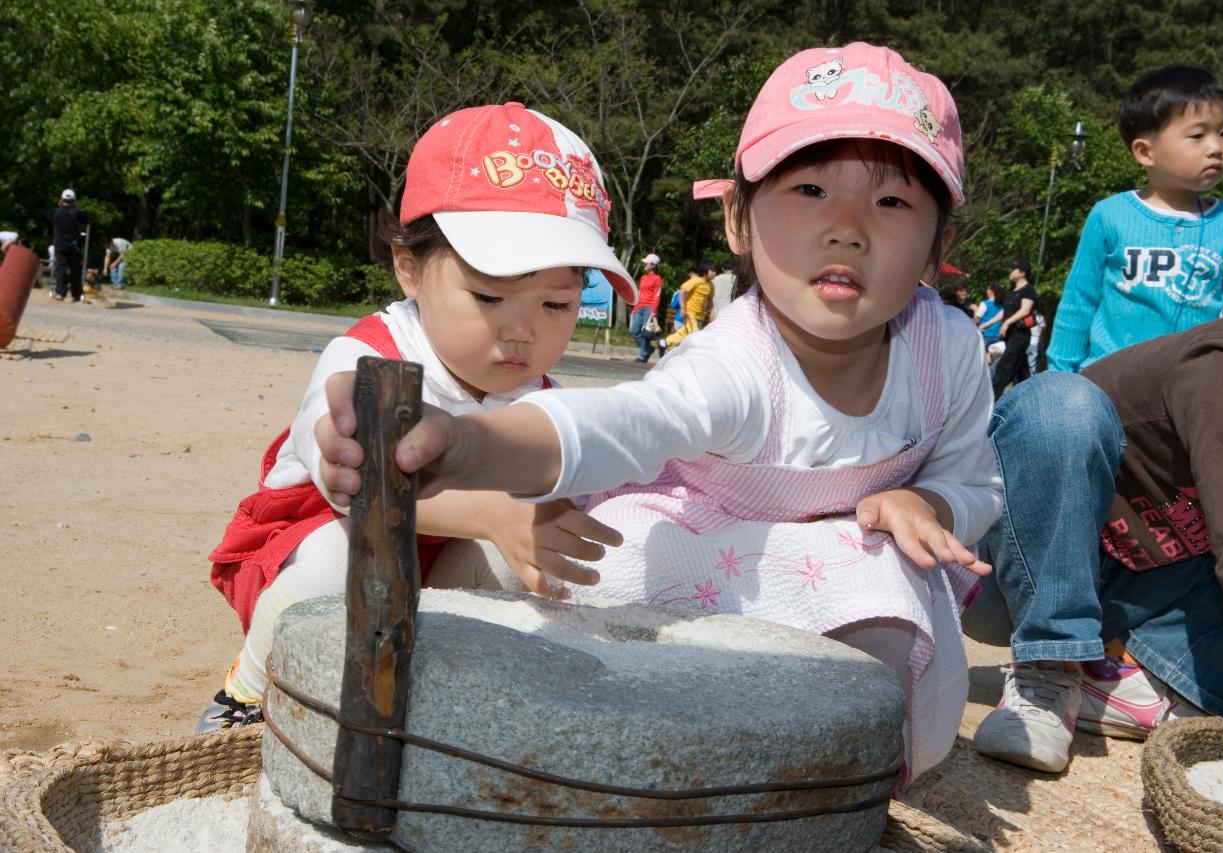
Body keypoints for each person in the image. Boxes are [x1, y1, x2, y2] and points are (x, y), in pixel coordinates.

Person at [318, 43, 1002, 780]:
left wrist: (925, 499)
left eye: (892, 200)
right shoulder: (738, 363)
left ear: (939, 247)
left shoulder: (949, 350)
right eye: (809, 190)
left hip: (834, 573)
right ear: (738, 219)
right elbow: (623, 422)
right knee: (523, 564)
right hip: (691, 559)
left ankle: (837, 783)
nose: (847, 227)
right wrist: (467, 443)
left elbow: (978, 485)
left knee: (882, 575)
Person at [199, 103, 634, 731]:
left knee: (527, 560)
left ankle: (442, 704)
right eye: (488, 296)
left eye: (557, 303)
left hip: (445, 561)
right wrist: (491, 512)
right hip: (326, 533)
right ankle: (248, 692)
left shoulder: (544, 399)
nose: (522, 331)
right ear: (409, 267)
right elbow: (355, 486)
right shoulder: (369, 356)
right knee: (331, 558)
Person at [968, 253, 1223, 772]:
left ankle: (1131, 687)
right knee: (1060, 402)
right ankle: (1050, 667)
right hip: (1011, 577)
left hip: (1135, 594)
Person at [1046, 65, 1223, 373]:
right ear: (1145, 152)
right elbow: (1078, 301)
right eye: (1197, 135)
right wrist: (1060, 374)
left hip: (1193, 381)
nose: (1217, 148)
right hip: (1110, 377)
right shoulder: (1109, 215)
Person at [988, 259, 1037, 400]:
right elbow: (1005, 312)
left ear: (1022, 272)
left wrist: (1007, 323)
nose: (1010, 271)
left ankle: (989, 402)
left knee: (1004, 369)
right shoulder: (1013, 291)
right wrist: (987, 324)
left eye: (1013, 269)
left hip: (1020, 336)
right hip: (1010, 336)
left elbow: (1025, 310)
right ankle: (1031, 400)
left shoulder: (1028, 289)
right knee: (1022, 373)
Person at [657, 261, 715, 352]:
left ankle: (664, 342)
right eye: (712, 271)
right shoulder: (696, 281)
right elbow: (682, 290)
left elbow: (710, 299)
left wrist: (712, 312)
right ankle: (694, 353)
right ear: (705, 271)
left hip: (700, 315)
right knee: (695, 333)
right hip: (690, 312)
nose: (715, 273)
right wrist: (683, 307)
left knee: (685, 332)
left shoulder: (711, 285)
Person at [49, 189, 89, 302]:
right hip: (73, 246)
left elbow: (50, 218)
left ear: (61, 200)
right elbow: (88, 220)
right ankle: (75, 295)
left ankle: (60, 293)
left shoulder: (55, 212)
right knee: (75, 269)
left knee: (60, 268)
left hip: (59, 245)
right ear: (74, 201)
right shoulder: (77, 212)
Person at [630, 252, 663, 362]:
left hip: (649, 308)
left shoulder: (657, 278)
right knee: (633, 331)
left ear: (653, 265)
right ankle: (648, 349)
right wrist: (635, 308)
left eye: (647, 264)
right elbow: (639, 293)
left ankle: (642, 356)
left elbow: (657, 295)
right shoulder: (643, 277)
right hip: (640, 308)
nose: (645, 265)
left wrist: (653, 311)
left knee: (645, 334)